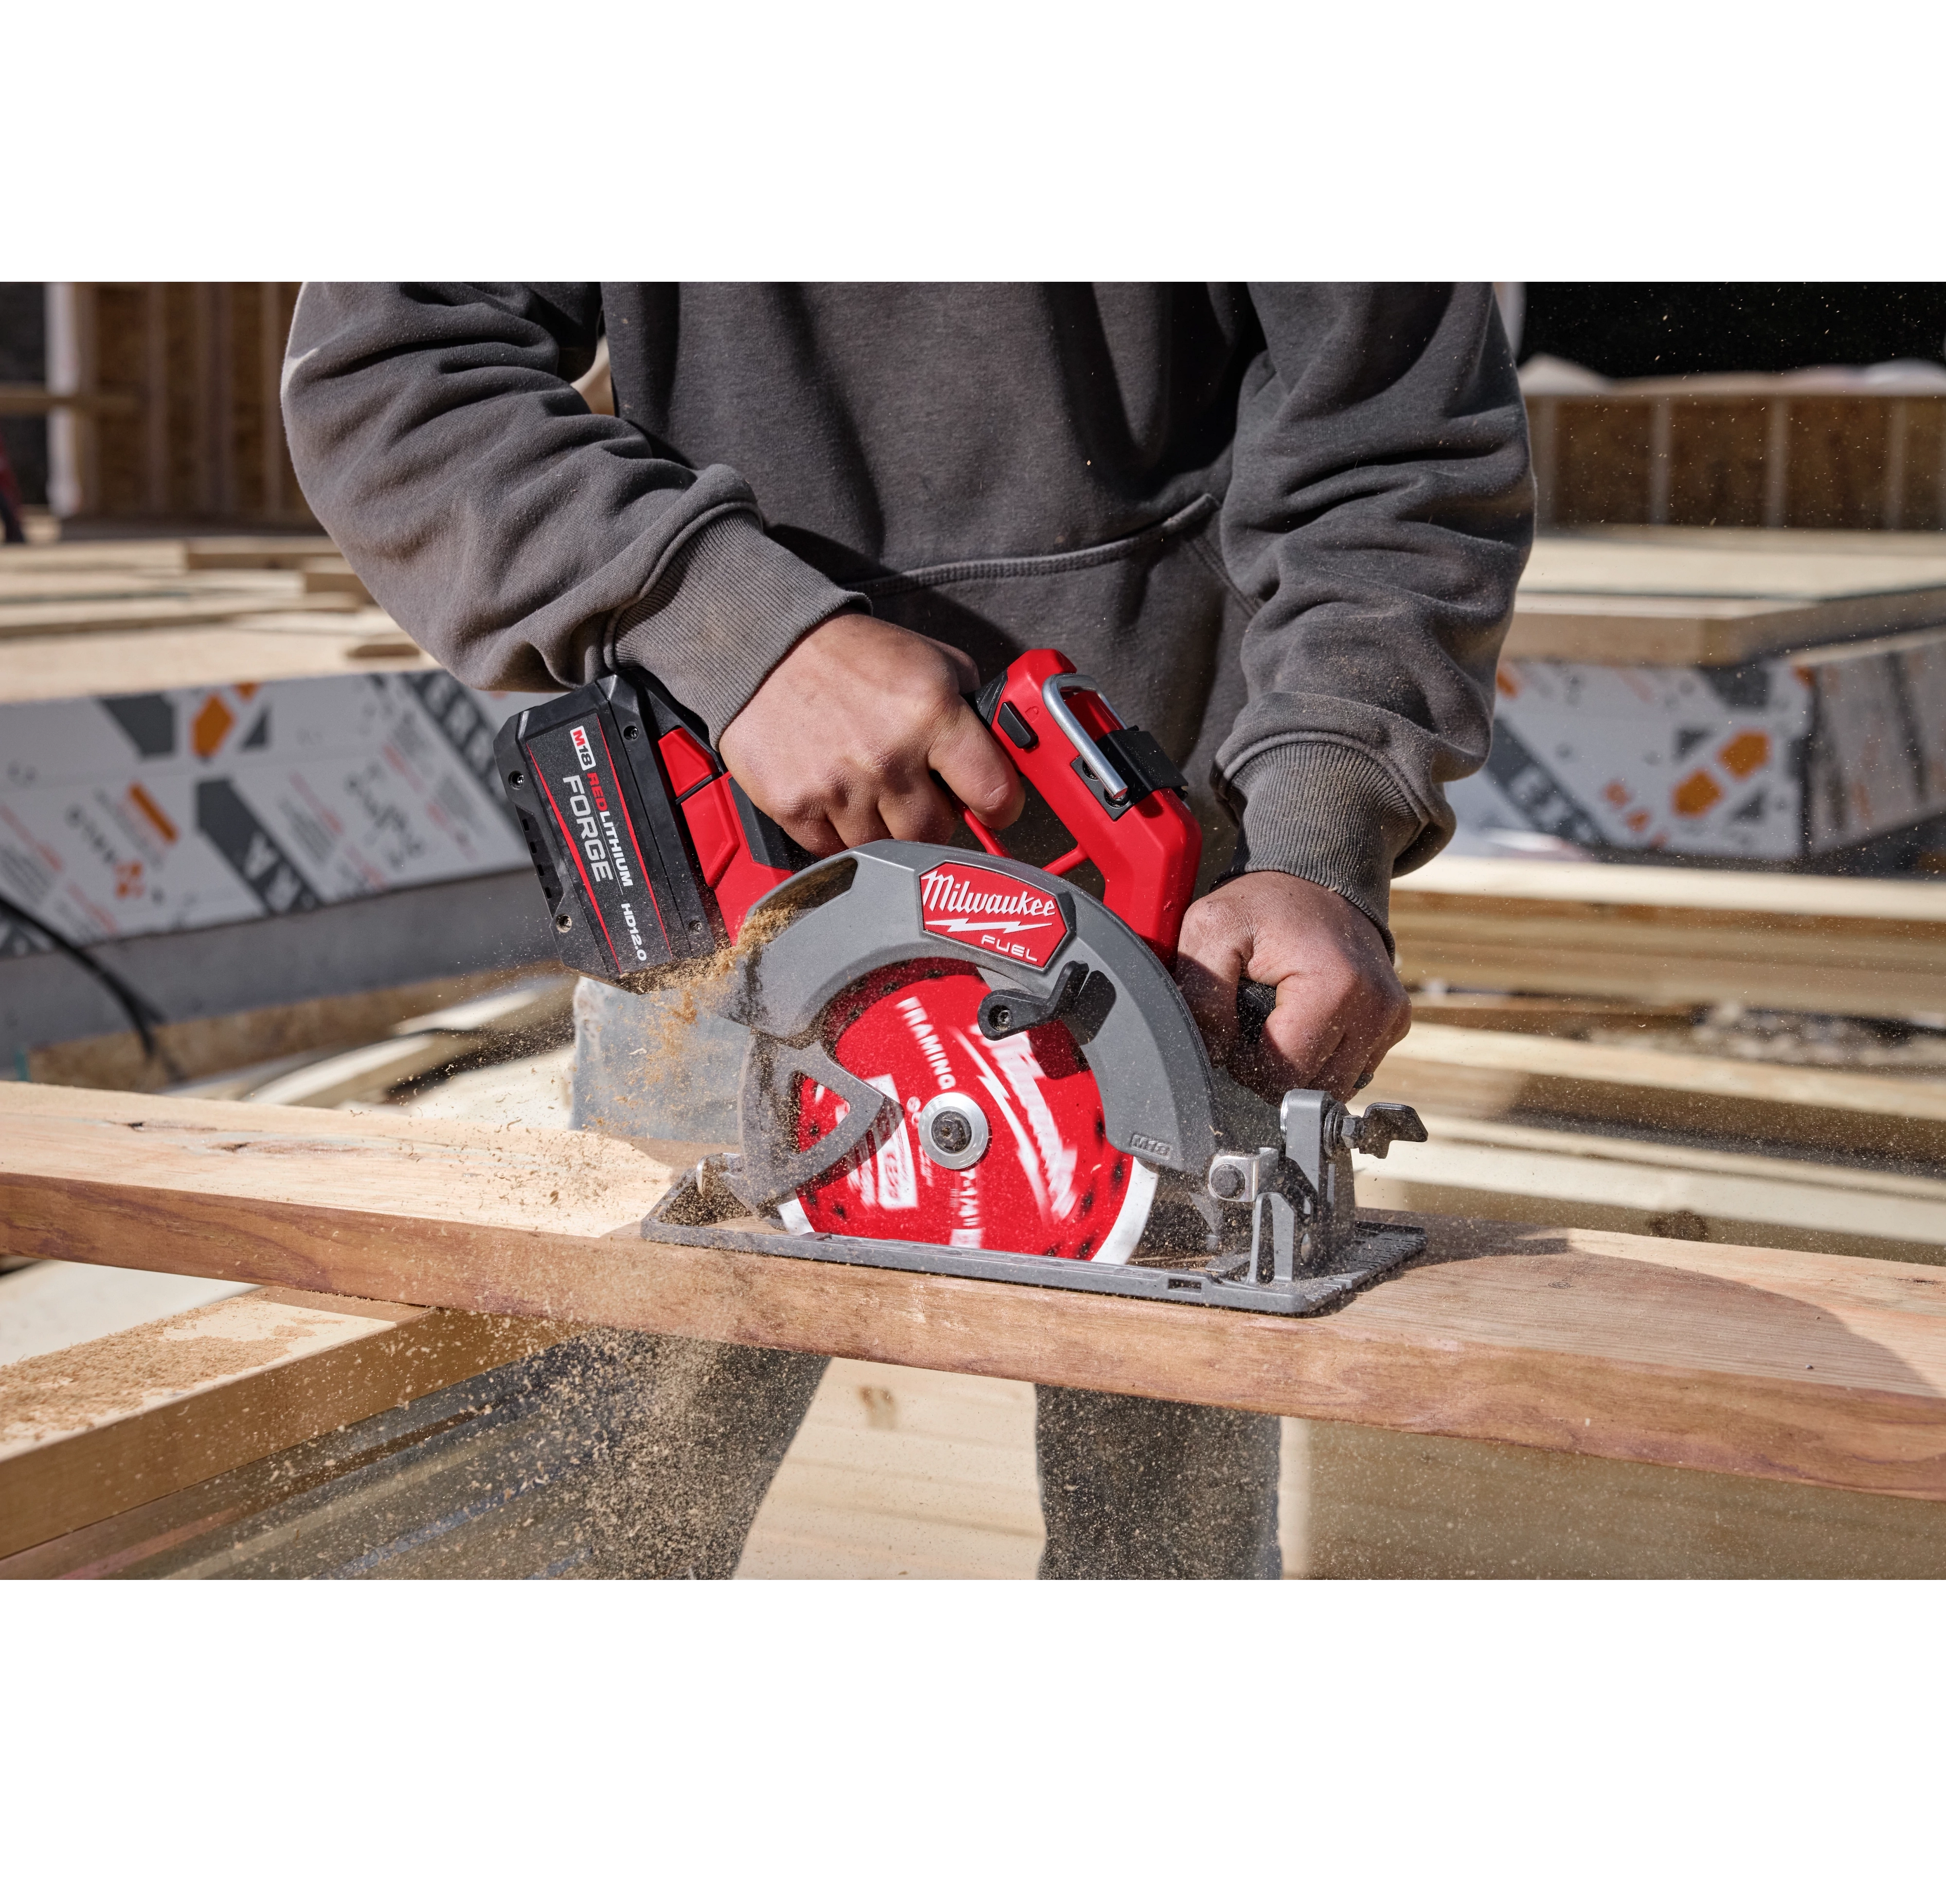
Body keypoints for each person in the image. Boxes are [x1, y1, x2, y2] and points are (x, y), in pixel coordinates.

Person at [283, 282, 1532, 1579]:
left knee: (1162, 1553)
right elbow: (389, 368)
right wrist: (743, 633)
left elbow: (1396, 447)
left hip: (1170, 938)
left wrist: (1323, 827)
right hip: (751, 879)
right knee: (620, 1515)